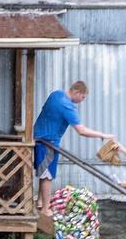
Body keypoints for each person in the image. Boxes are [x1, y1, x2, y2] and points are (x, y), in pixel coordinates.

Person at [32, 81, 114, 210]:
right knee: (47, 175)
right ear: (77, 92)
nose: (82, 100)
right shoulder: (67, 106)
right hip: (48, 143)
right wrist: (102, 135)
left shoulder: (55, 95)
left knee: (44, 172)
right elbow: (81, 131)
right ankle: (45, 210)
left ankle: (40, 202)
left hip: (38, 138)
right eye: (83, 97)